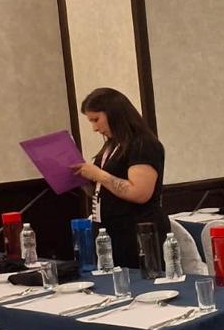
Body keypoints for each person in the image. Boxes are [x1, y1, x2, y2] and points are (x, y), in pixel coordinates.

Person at [70, 88, 170, 270]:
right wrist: (84, 180)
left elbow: (140, 193)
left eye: (96, 120)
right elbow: (104, 189)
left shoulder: (142, 144)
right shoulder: (112, 145)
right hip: (109, 230)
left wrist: (98, 175)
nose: (94, 128)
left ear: (113, 113)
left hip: (137, 231)